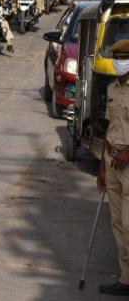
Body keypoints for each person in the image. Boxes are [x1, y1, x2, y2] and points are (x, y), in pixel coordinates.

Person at [97, 40, 129, 295]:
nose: (119, 61)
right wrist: (102, 167)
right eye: (117, 57)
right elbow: (110, 127)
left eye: (123, 57)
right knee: (117, 223)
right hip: (112, 158)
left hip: (128, 163)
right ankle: (125, 279)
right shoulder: (112, 89)